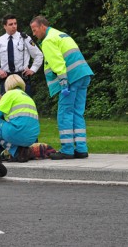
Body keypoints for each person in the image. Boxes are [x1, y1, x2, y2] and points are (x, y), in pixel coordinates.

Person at [30, 15, 94, 160]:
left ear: (42, 27)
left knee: (65, 113)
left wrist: (63, 81)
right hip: (83, 74)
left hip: (70, 79)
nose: (34, 34)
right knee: (77, 113)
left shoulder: (48, 40)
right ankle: (81, 149)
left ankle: (67, 150)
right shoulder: (60, 34)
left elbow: (57, 62)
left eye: (34, 30)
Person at [0, 74, 40, 163]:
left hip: (17, 133)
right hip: (31, 138)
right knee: (3, 129)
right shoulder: (28, 97)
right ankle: (20, 152)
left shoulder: (9, 94)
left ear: (7, 85)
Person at [0, 14, 44, 95]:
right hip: (6, 78)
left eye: (15, 23)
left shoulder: (25, 38)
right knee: (7, 106)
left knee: (24, 105)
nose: (14, 26)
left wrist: (33, 69)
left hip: (22, 77)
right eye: (11, 24)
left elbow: (38, 55)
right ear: (5, 26)